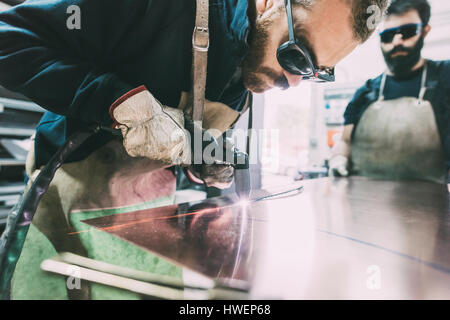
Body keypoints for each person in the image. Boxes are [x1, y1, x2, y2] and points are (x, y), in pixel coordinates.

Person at [0, 0, 387, 299]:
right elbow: (9, 37)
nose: (293, 81)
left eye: (315, 72)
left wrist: (203, 157)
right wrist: (113, 100)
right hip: (65, 209)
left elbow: (177, 139)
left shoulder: (248, 65)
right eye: (296, 55)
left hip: (143, 223)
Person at [330, 0, 450, 185]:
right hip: (367, 203)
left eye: (408, 32)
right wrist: (339, 159)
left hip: (430, 207)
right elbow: (345, 141)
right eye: (387, 35)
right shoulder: (365, 93)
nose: (397, 41)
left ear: (425, 31)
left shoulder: (445, 78)